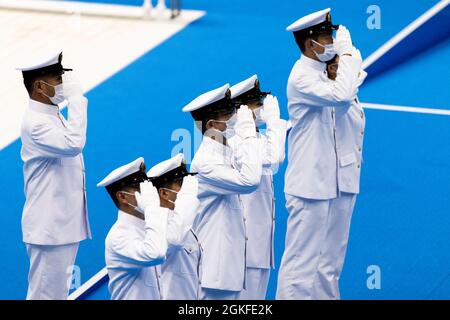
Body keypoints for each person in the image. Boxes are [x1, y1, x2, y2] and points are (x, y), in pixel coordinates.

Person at [277, 8, 366, 300]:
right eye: (327, 37)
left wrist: (345, 64)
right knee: (301, 267)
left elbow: (351, 87)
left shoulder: (332, 72)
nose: (332, 41)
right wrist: (349, 57)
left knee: (330, 264)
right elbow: (342, 95)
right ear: (309, 43)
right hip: (310, 185)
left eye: (332, 35)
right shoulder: (301, 77)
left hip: (338, 180)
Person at [17, 50, 91, 300]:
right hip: (49, 228)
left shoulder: (51, 114)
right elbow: (74, 145)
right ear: (39, 86)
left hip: (61, 226)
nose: (63, 85)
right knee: (45, 296)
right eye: (58, 79)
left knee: (56, 294)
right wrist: (78, 100)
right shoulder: (36, 123)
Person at [182, 84, 262, 299]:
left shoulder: (225, 151)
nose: (236, 117)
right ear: (212, 124)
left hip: (229, 265)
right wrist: (248, 135)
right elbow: (250, 180)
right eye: (229, 114)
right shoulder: (207, 162)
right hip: (216, 269)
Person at [98, 156, 199, 300]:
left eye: (150, 188)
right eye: (142, 189)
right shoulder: (119, 236)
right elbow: (155, 253)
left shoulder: (147, 225)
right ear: (122, 197)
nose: (151, 194)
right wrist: (152, 207)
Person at [229, 75, 287, 300]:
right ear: (242, 110)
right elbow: (275, 157)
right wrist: (274, 122)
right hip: (246, 248)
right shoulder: (237, 142)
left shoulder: (253, 138)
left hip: (260, 245)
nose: (262, 108)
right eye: (257, 104)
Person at [150, 154, 202, 300]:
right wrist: (188, 198)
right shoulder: (160, 225)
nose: (186, 188)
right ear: (164, 193)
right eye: (181, 183)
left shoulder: (181, 220)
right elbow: (174, 241)